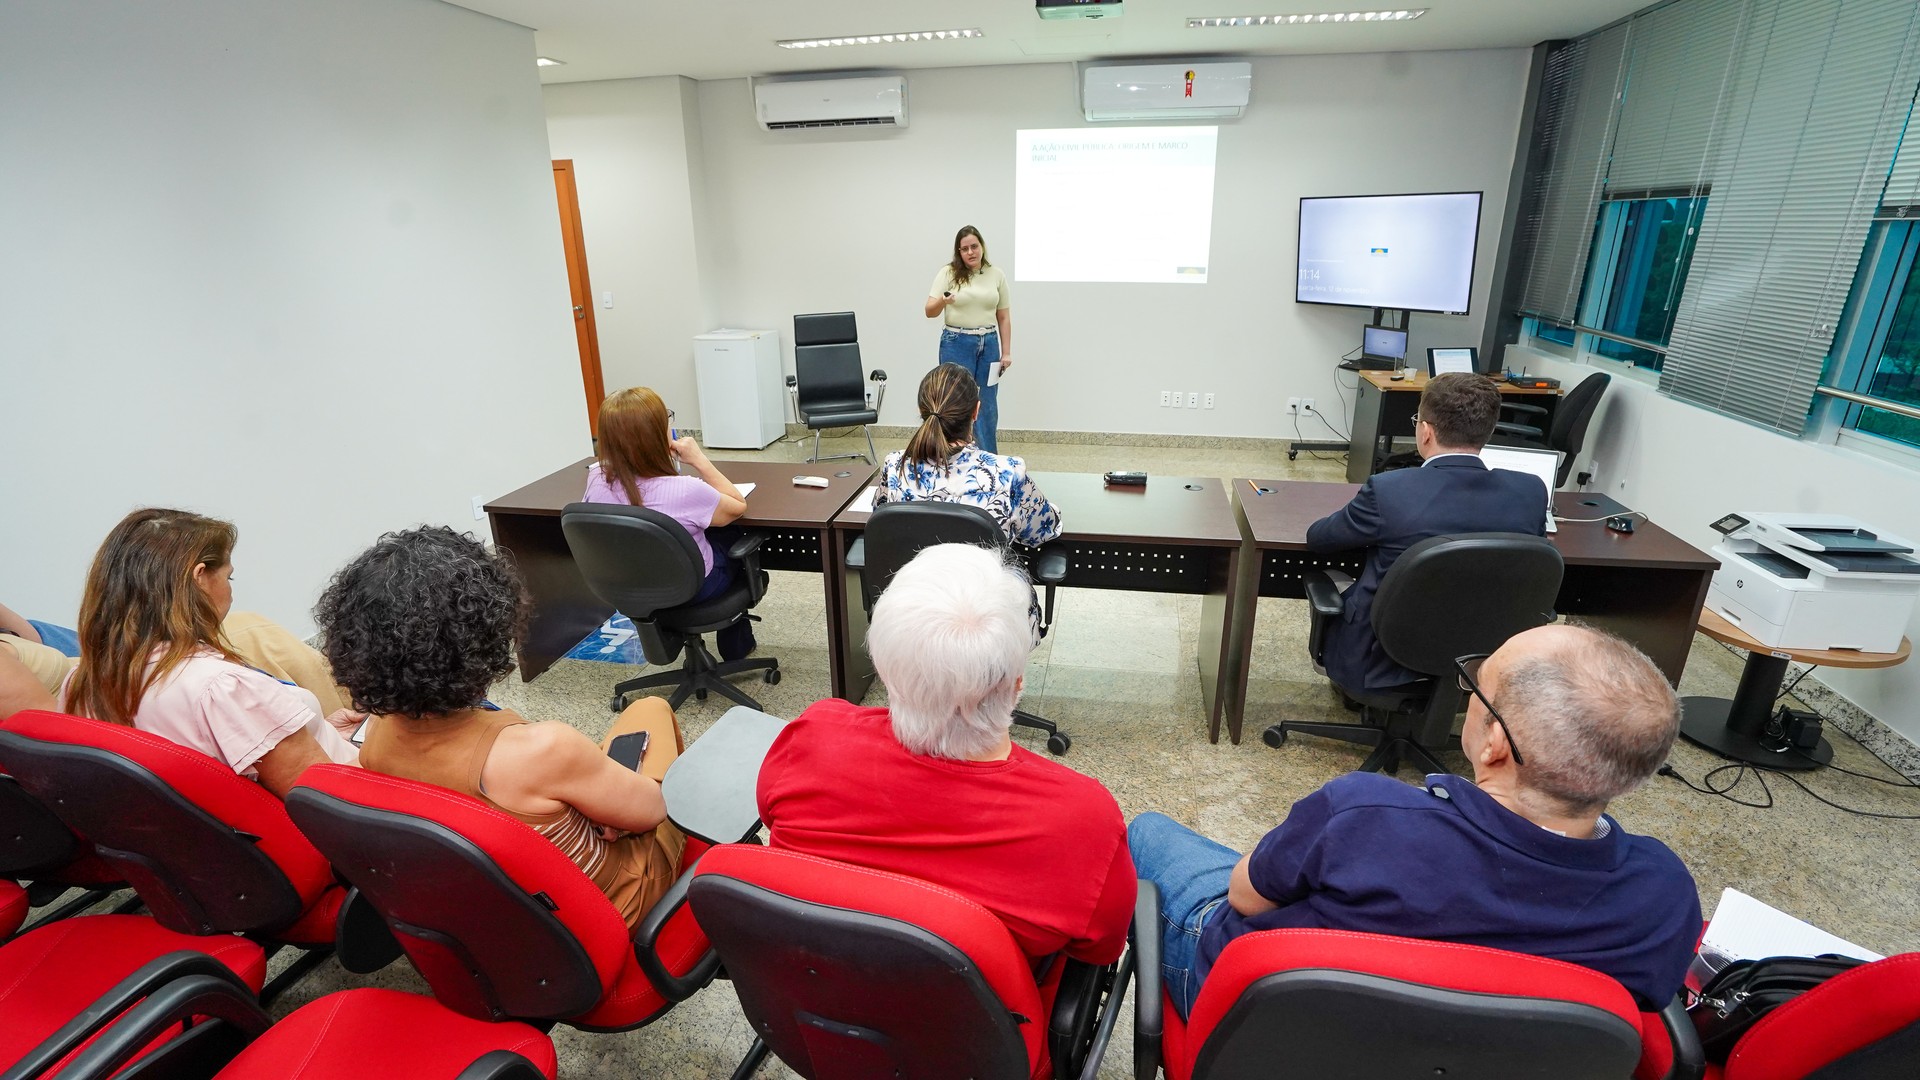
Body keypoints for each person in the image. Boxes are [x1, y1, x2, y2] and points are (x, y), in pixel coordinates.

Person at [1131, 623, 1700, 1018]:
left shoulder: (1364, 814)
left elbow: (1248, 900)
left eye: (1479, 683)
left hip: (1264, 1020)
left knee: (1149, 832)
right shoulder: (1664, 895)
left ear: (1496, 744)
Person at [757, 543, 1134, 966]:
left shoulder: (811, 738)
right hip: (981, 1026)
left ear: (884, 667)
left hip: (816, 998)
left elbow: (773, 819)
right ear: (1017, 683)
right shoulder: (1084, 820)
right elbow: (1099, 950)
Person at [318, 526, 687, 929]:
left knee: (631, 728)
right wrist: (614, 808)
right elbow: (652, 813)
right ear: (487, 632)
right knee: (652, 710)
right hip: (612, 904)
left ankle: (599, 795)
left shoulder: (375, 740)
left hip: (514, 919)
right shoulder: (545, 750)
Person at [61, 508, 360, 797]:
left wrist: (320, 731)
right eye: (228, 577)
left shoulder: (82, 684)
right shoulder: (222, 689)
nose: (230, 590)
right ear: (200, 577)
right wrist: (383, 751)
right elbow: (329, 802)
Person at [1306, 371, 1548, 690]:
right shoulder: (1530, 491)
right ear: (1488, 431)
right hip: (1483, 659)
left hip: (1380, 661)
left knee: (1337, 580)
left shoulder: (1389, 490)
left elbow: (1320, 539)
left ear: (1425, 431)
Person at [584, 385, 755, 661]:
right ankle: (736, 647)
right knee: (735, 534)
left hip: (629, 587)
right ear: (656, 435)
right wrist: (699, 459)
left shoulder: (596, 478)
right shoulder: (686, 490)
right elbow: (737, 505)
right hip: (694, 590)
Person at [877, 364, 1063, 548]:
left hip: (912, 578)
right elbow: (1043, 532)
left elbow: (883, 521)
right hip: (979, 578)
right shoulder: (1007, 473)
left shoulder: (894, 466)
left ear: (920, 410)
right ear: (976, 411)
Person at [924, 225, 1012, 453]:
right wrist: (944, 301)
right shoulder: (948, 273)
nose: (971, 252)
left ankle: (988, 460)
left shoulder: (996, 274)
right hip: (957, 342)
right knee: (954, 401)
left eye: (974, 246)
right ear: (959, 252)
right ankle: (951, 457)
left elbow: (1003, 316)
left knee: (987, 405)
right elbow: (929, 311)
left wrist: (1007, 352)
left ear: (982, 247)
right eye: (965, 249)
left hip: (989, 344)